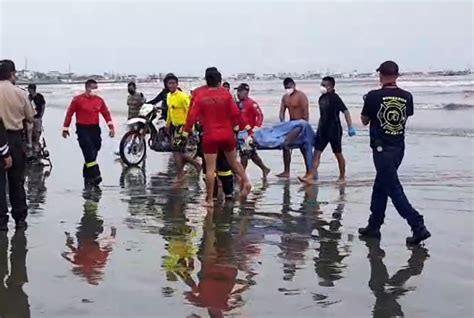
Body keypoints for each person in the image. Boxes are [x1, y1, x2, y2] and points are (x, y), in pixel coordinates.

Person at [358, 61, 431, 245]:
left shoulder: (373, 96)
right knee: (381, 185)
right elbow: (404, 116)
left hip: (381, 150)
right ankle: (374, 225)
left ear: (381, 75)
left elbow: (365, 120)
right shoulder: (407, 96)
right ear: (397, 76)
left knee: (393, 190)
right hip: (399, 148)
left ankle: (417, 225)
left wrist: (368, 102)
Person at [183, 67, 251, 207]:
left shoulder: (200, 96)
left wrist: (186, 132)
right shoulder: (226, 94)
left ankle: (209, 200)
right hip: (227, 135)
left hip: (210, 136)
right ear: (219, 81)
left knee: (210, 169)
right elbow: (236, 113)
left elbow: (191, 116)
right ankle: (247, 181)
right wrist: (246, 128)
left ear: (207, 81)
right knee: (234, 162)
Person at [299, 77, 356, 185]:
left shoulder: (335, 98)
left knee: (338, 153)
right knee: (316, 153)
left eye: (324, 85)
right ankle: (310, 176)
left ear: (331, 86)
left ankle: (342, 177)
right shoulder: (321, 98)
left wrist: (350, 127)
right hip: (323, 130)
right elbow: (323, 115)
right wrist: (318, 129)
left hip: (334, 130)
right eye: (321, 84)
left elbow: (346, 112)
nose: (322, 87)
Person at [0, 59, 35, 231]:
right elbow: (30, 116)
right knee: (16, 181)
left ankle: (1, 221)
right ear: (12, 74)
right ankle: (20, 218)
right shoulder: (20, 93)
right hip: (14, 139)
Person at [62, 79, 115, 187]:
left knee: (95, 149)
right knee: (89, 150)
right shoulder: (77, 100)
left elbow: (106, 113)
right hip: (82, 129)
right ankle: (96, 175)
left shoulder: (99, 100)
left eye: (97, 88)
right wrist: (65, 128)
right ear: (87, 88)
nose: (96, 90)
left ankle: (87, 173)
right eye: (93, 88)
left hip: (95, 129)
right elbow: (69, 113)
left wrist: (111, 127)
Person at [165, 73, 201, 182]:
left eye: (173, 83)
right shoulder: (169, 96)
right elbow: (170, 112)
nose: (171, 85)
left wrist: (191, 127)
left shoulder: (182, 96)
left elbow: (191, 112)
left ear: (177, 84)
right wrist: (167, 124)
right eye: (169, 83)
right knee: (177, 152)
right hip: (175, 127)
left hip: (184, 126)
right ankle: (194, 165)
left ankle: (182, 173)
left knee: (176, 151)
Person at [236, 83, 270, 180]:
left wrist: (256, 128)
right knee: (252, 154)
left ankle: (242, 175)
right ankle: (264, 168)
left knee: (245, 154)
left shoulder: (252, 103)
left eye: (240, 91)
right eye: (237, 91)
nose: (238, 93)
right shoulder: (238, 104)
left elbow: (260, 115)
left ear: (245, 92)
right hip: (239, 132)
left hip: (248, 133)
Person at [277, 77, 310, 178]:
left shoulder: (301, 96)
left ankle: (309, 171)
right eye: (286, 87)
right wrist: (282, 123)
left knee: (304, 148)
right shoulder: (285, 97)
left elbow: (306, 111)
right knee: (285, 146)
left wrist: (304, 125)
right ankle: (286, 171)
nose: (288, 89)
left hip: (301, 123)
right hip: (291, 124)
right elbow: (282, 112)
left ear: (294, 85)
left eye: (289, 87)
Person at [27, 84, 46, 160]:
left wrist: (41, 116)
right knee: (29, 130)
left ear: (32, 89)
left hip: (38, 117)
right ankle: (30, 143)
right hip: (31, 117)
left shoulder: (39, 96)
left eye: (29, 89)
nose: (28, 90)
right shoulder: (29, 97)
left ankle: (36, 144)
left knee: (37, 131)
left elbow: (43, 106)